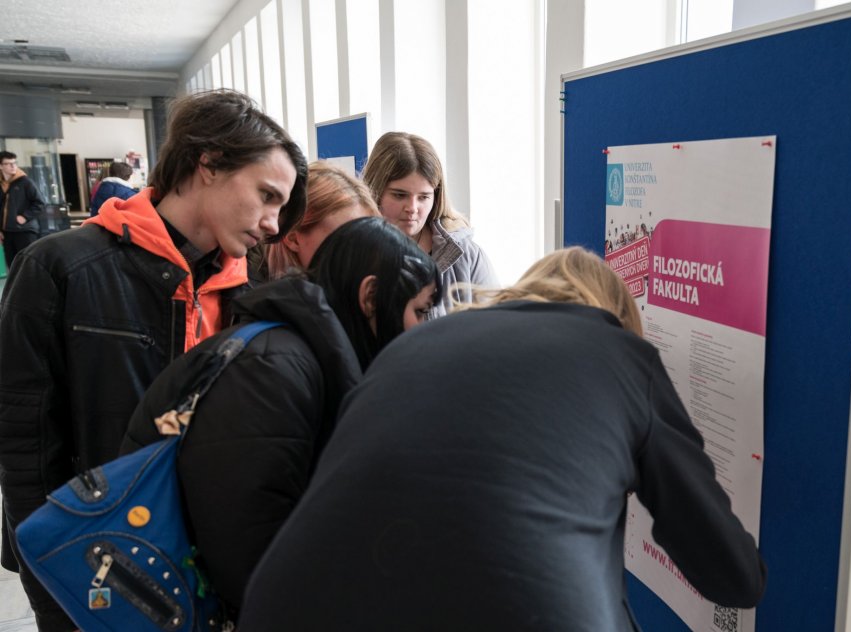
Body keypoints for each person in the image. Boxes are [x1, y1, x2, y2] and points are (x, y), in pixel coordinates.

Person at [239, 247, 767, 632]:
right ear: (618, 318)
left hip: (285, 603)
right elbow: (733, 577)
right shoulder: (624, 356)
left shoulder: (416, 344)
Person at [0, 89, 307, 632]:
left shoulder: (253, 292)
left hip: (205, 569)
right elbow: (25, 443)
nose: (273, 225)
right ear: (209, 163)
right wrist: (53, 590)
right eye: (267, 196)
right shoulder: (60, 268)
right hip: (94, 559)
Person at [120, 216, 439, 622]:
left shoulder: (300, 359)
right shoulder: (275, 368)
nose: (424, 329)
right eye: (420, 311)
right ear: (371, 296)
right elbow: (248, 551)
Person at [362, 131, 497, 317]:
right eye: (399, 195)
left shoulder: (467, 255)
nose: (412, 208)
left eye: (423, 197)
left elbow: (497, 326)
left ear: (436, 196)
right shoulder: (353, 256)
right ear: (373, 191)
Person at [248, 161, 379, 281]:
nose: (359, 257)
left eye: (364, 243)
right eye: (344, 242)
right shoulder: (248, 294)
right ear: (292, 238)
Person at [0, 151, 46, 270]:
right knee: (12, 266)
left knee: (28, 265)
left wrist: (25, 216)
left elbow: (40, 203)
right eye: (8, 163)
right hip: (7, 233)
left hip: (25, 230)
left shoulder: (25, 182)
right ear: (1, 166)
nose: (13, 166)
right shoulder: (1, 185)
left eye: (14, 163)